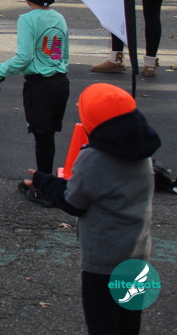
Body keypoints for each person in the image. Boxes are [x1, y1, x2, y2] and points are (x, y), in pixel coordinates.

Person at [26, 83, 160, 335]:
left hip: (103, 262)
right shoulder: (142, 154)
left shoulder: (94, 158)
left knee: (102, 323)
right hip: (138, 254)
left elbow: (72, 201)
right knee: (129, 321)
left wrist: (43, 181)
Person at [0, 0, 70, 206]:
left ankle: (45, 187)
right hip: (60, 82)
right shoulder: (59, 18)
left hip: (40, 86)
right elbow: (63, 52)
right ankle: (42, 180)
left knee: (42, 136)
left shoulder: (27, 20)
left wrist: (0, 71)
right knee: (48, 136)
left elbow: (24, 57)